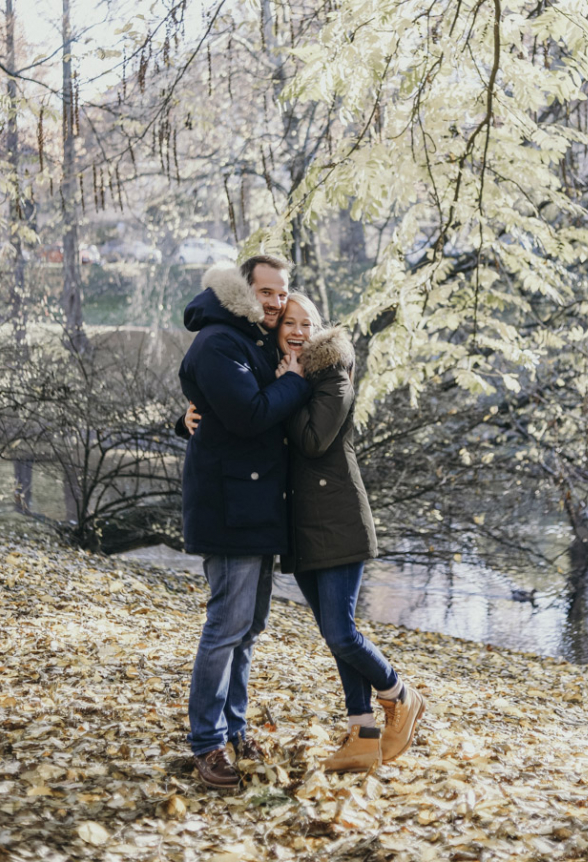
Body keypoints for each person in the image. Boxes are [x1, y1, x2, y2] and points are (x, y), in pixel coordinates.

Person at [185, 292, 425, 773]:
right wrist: (191, 414)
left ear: (318, 329)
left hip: (337, 522)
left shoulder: (332, 374)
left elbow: (312, 440)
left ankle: (399, 692)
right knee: (336, 636)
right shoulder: (280, 372)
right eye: (288, 323)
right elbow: (245, 413)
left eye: (305, 323)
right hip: (301, 528)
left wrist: (288, 386)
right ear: (276, 330)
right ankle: (363, 732)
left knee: (342, 632)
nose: (296, 330)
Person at [178, 255, 311, 789]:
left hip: (255, 508)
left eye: (282, 292)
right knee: (225, 628)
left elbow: (218, 407)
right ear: (243, 290)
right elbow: (250, 413)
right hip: (229, 509)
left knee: (248, 629)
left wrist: (187, 418)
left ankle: (234, 729)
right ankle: (207, 743)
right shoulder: (220, 342)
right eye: (266, 291)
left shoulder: (250, 339)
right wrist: (295, 380)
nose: (276, 302)